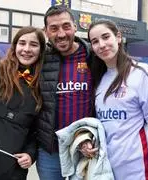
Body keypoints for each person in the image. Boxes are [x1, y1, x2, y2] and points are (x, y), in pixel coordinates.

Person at [88, 19, 148, 179]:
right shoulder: (100, 79)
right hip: (107, 169)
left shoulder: (142, 73)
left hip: (138, 168)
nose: (101, 44)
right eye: (95, 41)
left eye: (106, 37)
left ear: (118, 37)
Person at [36, 5, 95, 180]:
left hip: (86, 148)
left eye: (66, 26)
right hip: (50, 151)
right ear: (46, 32)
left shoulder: (93, 55)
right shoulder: (40, 59)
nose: (61, 34)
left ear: (75, 27)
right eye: (53, 28)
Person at [0, 26, 45, 179]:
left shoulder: (43, 83)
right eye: (22, 43)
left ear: (41, 49)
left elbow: (37, 130)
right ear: (15, 46)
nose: (26, 49)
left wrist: (30, 154)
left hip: (14, 168)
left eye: (34, 45)